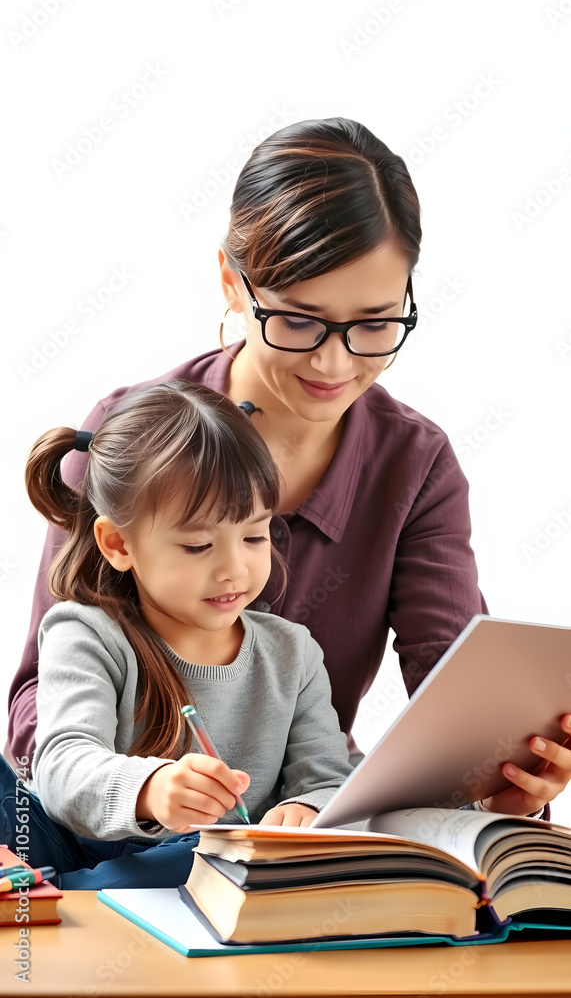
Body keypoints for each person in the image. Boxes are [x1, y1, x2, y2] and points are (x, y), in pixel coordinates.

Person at [7, 116, 570, 819]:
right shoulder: (128, 439)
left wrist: (505, 775)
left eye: (374, 323)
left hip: (298, 847)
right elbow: (38, 718)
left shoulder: (413, 463)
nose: (334, 364)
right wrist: (142, 788)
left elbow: (450, 700)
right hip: (117, 847)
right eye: (299, 321)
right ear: (232, 283)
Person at [0, 381, 354, 889]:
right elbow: (62, 765)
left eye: (254, 536)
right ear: (118, 543)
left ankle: (81, 891)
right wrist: (150, 789)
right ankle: (78, 886)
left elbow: (325, 779)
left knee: (204, 851)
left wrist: (304, 809)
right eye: (198, 545)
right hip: (75, 845)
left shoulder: (292, 651)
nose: (234, 569)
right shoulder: (86, 632)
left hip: (211, 858)